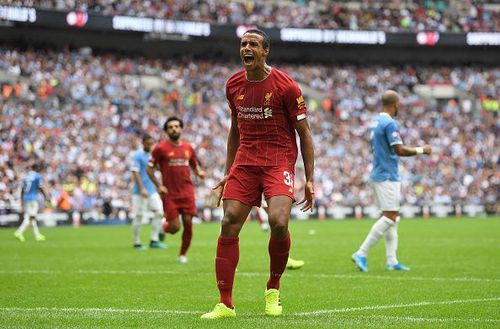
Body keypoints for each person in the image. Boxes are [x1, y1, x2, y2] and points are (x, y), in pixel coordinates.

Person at [201, 29, 314, 319]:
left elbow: (305, 133)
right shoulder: (233, 85)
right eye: (243, 44)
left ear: (265, 51)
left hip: (278, 162)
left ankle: (273, 288)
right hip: (246, 163)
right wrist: (227, 173)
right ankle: (225, 304)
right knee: (228, 222)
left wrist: (310, 179)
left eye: (253, 44)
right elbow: (234, 130)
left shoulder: (286, 86)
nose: (246, 48)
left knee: (278, 221)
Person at [352, 90, 432, 272]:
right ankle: (361, 253)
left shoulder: (376, 122)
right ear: (396, 104)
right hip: (387, 176)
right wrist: (422, 150)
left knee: (392, 218)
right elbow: (400, 150)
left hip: (379, 173)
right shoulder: (389, 123)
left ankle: (392, 260)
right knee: (390, 216)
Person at [147, 116, 205, 263]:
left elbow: (194, 164)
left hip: (187, 192)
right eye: (171, 127)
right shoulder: (160, 148)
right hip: (170, 194)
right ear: (166, 130)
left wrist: (199, 172)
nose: (174, 129)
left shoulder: (188, 148)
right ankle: (163, 227)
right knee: (174, 228)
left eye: (177, 126)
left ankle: (182, 255)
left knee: (188, 223)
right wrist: (159, 185)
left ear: (181, 128)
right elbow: (149, 168)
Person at [130, 134, 167, 250]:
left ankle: (154, 240)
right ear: (143, 143)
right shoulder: (137, 155)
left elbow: (156, 168)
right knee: (139, 216)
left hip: (152, 191)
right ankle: (137, 242)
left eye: (152, 143)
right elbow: (135, 172)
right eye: (148, 143)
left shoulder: (153, 155)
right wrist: (141, 188)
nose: (151, 145)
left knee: (159, 212)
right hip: (139, 192)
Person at [14, 163, 48, 242]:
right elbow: (40, 187)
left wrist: (21, 201)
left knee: (30, 217)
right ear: (37, 169)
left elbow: (22, 189)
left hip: (26, 198)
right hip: (33, 198)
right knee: (31, 217)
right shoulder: (37, 176)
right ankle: (19, 232)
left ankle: (37, 235)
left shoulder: (25, 177)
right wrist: (46, 196)